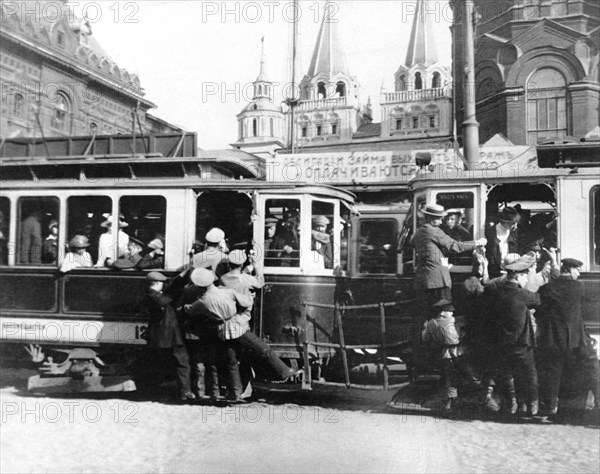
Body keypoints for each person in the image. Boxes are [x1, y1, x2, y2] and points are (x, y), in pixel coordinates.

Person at [185, 268, 301, 402]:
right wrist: (249, 297)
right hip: (237, 327)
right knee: (263, 349)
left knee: (232, 362)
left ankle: (235, 394)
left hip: (222, 331)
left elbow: (190, 310)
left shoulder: (202, 301)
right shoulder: (227, 292)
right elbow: (247, 302)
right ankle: (285, 372)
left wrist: (184, 307)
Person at [536, 258, 599, 416]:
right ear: (570, 270)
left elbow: (539, 312)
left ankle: (550, 407)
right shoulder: (579, 287)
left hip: (554, 338)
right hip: (578, 338)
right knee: (593, 369)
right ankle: (598, 401)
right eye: (577, 270)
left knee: (553, 373)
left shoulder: (547, 289)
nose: (578, 273)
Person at [412, 203, 486, 327]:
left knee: (427, 315)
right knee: (444, 314)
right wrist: (478, 242)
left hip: (423, 280)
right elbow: (456, 246)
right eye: (439, 218)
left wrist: (439, 258)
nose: (441, 222)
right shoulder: (434, 231)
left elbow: (417, 245)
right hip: (438, 281)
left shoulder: (420, 231)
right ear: (430, 218)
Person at [486, 260, 541, 416]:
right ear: (519, 276)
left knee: (506, 374)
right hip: (522, 343)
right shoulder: (523, 294)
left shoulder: (497, 293)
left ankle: (512, 403)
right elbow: (537, 300)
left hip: (502, 343)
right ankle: (532, 404)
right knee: (530, 373)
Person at [138, 271, 195, 401]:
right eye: (162, 283)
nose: (165, 285)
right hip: (169, 335)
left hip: (164, 335)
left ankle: (169, 391)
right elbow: (167, 298)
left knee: (166, 362)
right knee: (182, 361)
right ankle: (185, 392)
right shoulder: (152, 296)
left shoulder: (153, 292)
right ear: (158, 283)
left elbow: (170, 283)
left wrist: (183, 274)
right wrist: (181, 290)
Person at [421, 299, 460, 412]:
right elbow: (456, 339)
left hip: (442, 354)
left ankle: (449, 401)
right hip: (456, 353)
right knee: (455, 376)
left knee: (448, 375)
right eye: (449, 311)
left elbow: (425, 338)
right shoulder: (452, 321)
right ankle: (451, 401)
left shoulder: (431, 323)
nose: (452, 313)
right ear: (442, 312)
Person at [485, 207, 520, 278]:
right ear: (504, 222)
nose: (515, 226)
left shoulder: (515, 233)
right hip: (494, 273)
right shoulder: (490, 233)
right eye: (513, 223)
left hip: (511, 272)